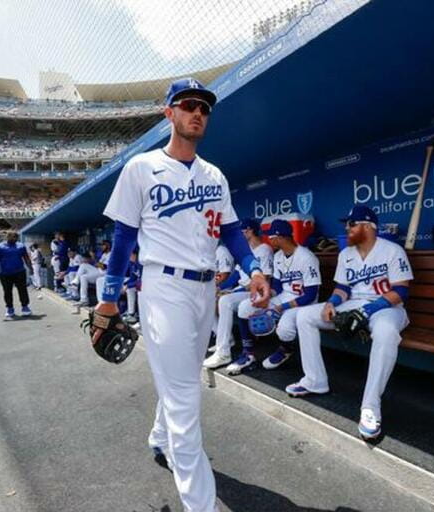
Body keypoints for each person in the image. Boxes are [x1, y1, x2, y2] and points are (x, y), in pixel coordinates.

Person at [93, 77, 270, 512]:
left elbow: (231, 231)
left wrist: (254, 268)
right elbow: (123, 237)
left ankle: (159, 438)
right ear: (168, 112)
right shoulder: (141, 167)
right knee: (186, 399)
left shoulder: (215, 174)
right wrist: (109, 297)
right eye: (188, 104)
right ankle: (200, 505)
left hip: (205, 288)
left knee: (182, 382)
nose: (197, 112)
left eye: (204, 107)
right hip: (164, 287)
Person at [290, 205, 413, 440]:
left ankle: (370, 407)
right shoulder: (346, 253)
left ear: (368, 226)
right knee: (304, 315)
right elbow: (343, 288)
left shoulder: (392, 250)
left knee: (386, 333)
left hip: (385, 308)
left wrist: (367, 311)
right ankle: (315, 380)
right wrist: (331, 304)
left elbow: (401, 292)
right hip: (353, 304)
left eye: (352, 224)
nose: (347, 228)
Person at [226, 219, 321, 375]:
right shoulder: (278, 257)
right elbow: (277, 287)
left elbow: (310, 294)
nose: (269, 239)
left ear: (281, 237)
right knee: (245, 307)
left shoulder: (307, 257)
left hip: (303, 303)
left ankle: (286, 348)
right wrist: (266, 296)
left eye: (272, 237)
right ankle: (248, 353)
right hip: (284, 297)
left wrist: (281, 308)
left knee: (284, 329)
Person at [203, 218, 273, 369]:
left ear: (250, 231)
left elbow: (264, 279)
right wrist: (222, 289)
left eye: (243, 231)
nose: (241, 234)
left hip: (258, 292)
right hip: (242, 290)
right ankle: (223, 349)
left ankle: (237, 350)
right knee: (222, 300)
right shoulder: (248, 251)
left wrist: (232, 291)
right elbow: (236, 275)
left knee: (230, 302)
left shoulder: (264, 249)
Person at [0, 231, 33, 320]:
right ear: (8, 237)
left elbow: (26, 258)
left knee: (23, 290)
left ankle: (25, 307)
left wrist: (31, 268)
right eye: (13, 237)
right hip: (5, 274)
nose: (15, 239)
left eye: (16, 237)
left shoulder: (21, 246)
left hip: (19, 272)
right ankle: (10, 308)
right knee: (7, 291)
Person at [76, 240, 111, 306]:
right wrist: (94, 261)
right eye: (101, 245)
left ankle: (83, 298)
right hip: (98, 271)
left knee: (84, 277)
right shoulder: (103, 254)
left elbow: (104, 267)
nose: (101, 247)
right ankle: (76, 284)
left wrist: (94, 258)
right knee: (83, 266)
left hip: (103, 274)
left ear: (108, 246)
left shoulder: (110, 254)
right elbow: (97, 264)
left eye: (103, 245)